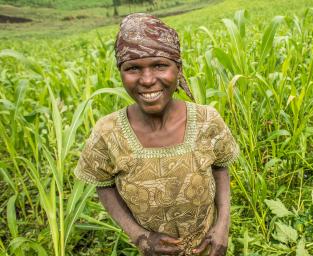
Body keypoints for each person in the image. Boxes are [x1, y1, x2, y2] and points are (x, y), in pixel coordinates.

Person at [74, 13, 239, 256]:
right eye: (133, 69)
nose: (148, 80)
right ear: (121, 72)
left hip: (208, 246)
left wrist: (222, 227)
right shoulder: (108, 132)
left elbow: (220, 168)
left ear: (178, 69)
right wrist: (139, 237)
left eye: (160, 65)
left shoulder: (207, 120)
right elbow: (104, 184)